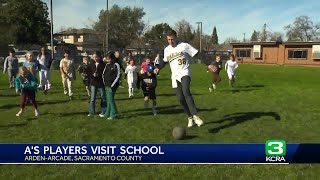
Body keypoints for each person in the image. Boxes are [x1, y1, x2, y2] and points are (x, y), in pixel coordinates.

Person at [154, 29, 216, 128]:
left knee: (186, 91)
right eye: (168, 40)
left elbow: (198, 54)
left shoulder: (184, 45)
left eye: (172, 39)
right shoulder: (167, 50)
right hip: (174, 76)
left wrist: (208, 64)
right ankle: (190, 117)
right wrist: (158, 68)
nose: (170, 42)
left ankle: (196, 116)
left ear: (176, 37)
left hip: (185, 72)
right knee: (180, 98)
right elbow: (164, 61)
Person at [100, 53, 121, 120]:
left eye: (109, 59)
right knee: (108, 100)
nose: (108, 60)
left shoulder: (116, 65)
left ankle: (114, 114)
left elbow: (118, 75)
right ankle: (107, 113)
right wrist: (104, 82)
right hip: (106, 85)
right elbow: (103, 74)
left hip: (112, 86)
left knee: (111, 100)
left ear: (113, 58)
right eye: (107, 59)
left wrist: (112, 85)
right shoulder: (107, 65)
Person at [88, 51, 106, 116]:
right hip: (93, 83)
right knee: (92, 98)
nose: (95, 58)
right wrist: (93, 75)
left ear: (99, 57)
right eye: (94, 57)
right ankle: (91, 112)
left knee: (103, 97)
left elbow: (104, 73)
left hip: (101, 83)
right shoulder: (91, 64)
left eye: (96, 57)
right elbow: (89, 72)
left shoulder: (103, 64)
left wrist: (98, 74)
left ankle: (104, 111)